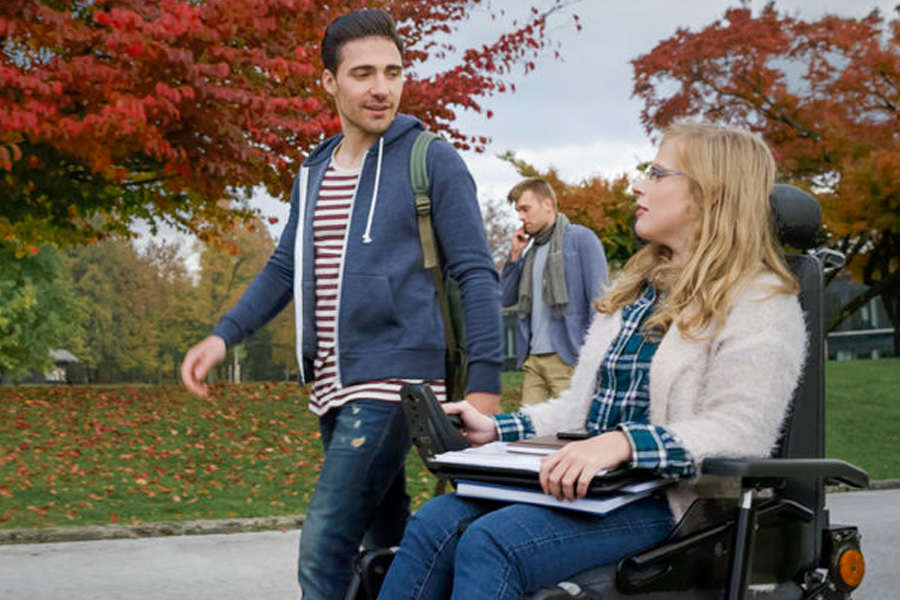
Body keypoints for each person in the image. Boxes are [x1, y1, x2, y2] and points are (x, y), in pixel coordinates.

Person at [376, 122, 807, 600]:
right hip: (601, 489)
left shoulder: (760, 301)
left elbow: (741, 432)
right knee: (435, 520)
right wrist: (499, 429)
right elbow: (579, 410)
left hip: (675, 503)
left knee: (492, 543)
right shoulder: (636, 293)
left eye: (657, 174)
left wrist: (623, 444)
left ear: (713, 193)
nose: (638, 185)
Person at [179, 9, 504, 600]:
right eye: (363, 73)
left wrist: (485, 384)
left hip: (394, 383)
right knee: (388, 547)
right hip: (331, 384)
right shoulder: (314, 170)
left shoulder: (431, 159)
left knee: (324, 550)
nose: (381, 87)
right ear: (329, 81)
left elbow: (475, 273)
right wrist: (224, 335)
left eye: (392, 72)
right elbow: (286, 268)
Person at [500, 178, 608, 405]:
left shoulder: (580, 239)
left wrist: (593, 356)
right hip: (533, 360)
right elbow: (505, 298)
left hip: (569, 358)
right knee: (528, 425)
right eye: (518, 211)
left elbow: (599, 300)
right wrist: (514, 256)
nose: (521, 217)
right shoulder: (530, 252)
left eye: (525, 209)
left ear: (547, 204)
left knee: (570, 425)